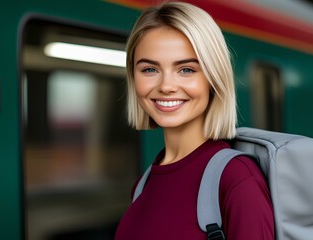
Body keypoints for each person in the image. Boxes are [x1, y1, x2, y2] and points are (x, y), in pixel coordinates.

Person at [115, 1, 274, 240]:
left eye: (186, 70)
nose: (166, 86)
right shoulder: (144, 184)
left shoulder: (237, 180)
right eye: (149, 69)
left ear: (213, 78)